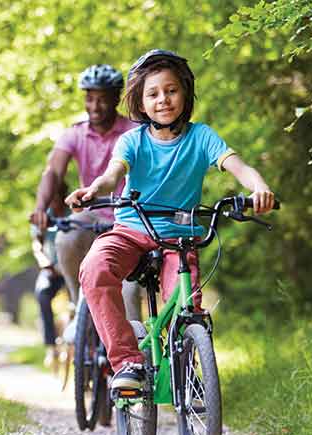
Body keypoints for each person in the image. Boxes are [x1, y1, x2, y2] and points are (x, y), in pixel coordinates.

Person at [66, 50, 276, 391]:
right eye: (153, 93)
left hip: (179, 239)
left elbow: (239, 167)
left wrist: (259, 189)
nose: (163, 99)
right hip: (132, 231)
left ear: (185, 94)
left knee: (187, 306)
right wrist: (93, 189)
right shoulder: (132, 140)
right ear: (141, 102)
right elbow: (112, 174)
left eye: (171, 90)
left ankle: (188, 366)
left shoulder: (201, 137)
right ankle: (127, 364)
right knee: (95, 269)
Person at [30, 64, 142, 325]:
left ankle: (136, 361)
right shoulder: (75, 133)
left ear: (116, 98)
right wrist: (40, 208)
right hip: (91, 214)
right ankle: (78, 304)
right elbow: (53, 173)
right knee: (66, 238)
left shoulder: (133, 131)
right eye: (90, 98)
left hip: (129, 217)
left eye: (102, 98)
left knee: (130, 293)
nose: (95, 105)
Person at [31, 179, 68, 367]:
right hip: (52, 269)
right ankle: (50, 346)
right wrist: (45, 263)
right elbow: (37, 244)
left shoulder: (73, 213)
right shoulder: (43, 215)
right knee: (42, 294)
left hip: (71, 267)